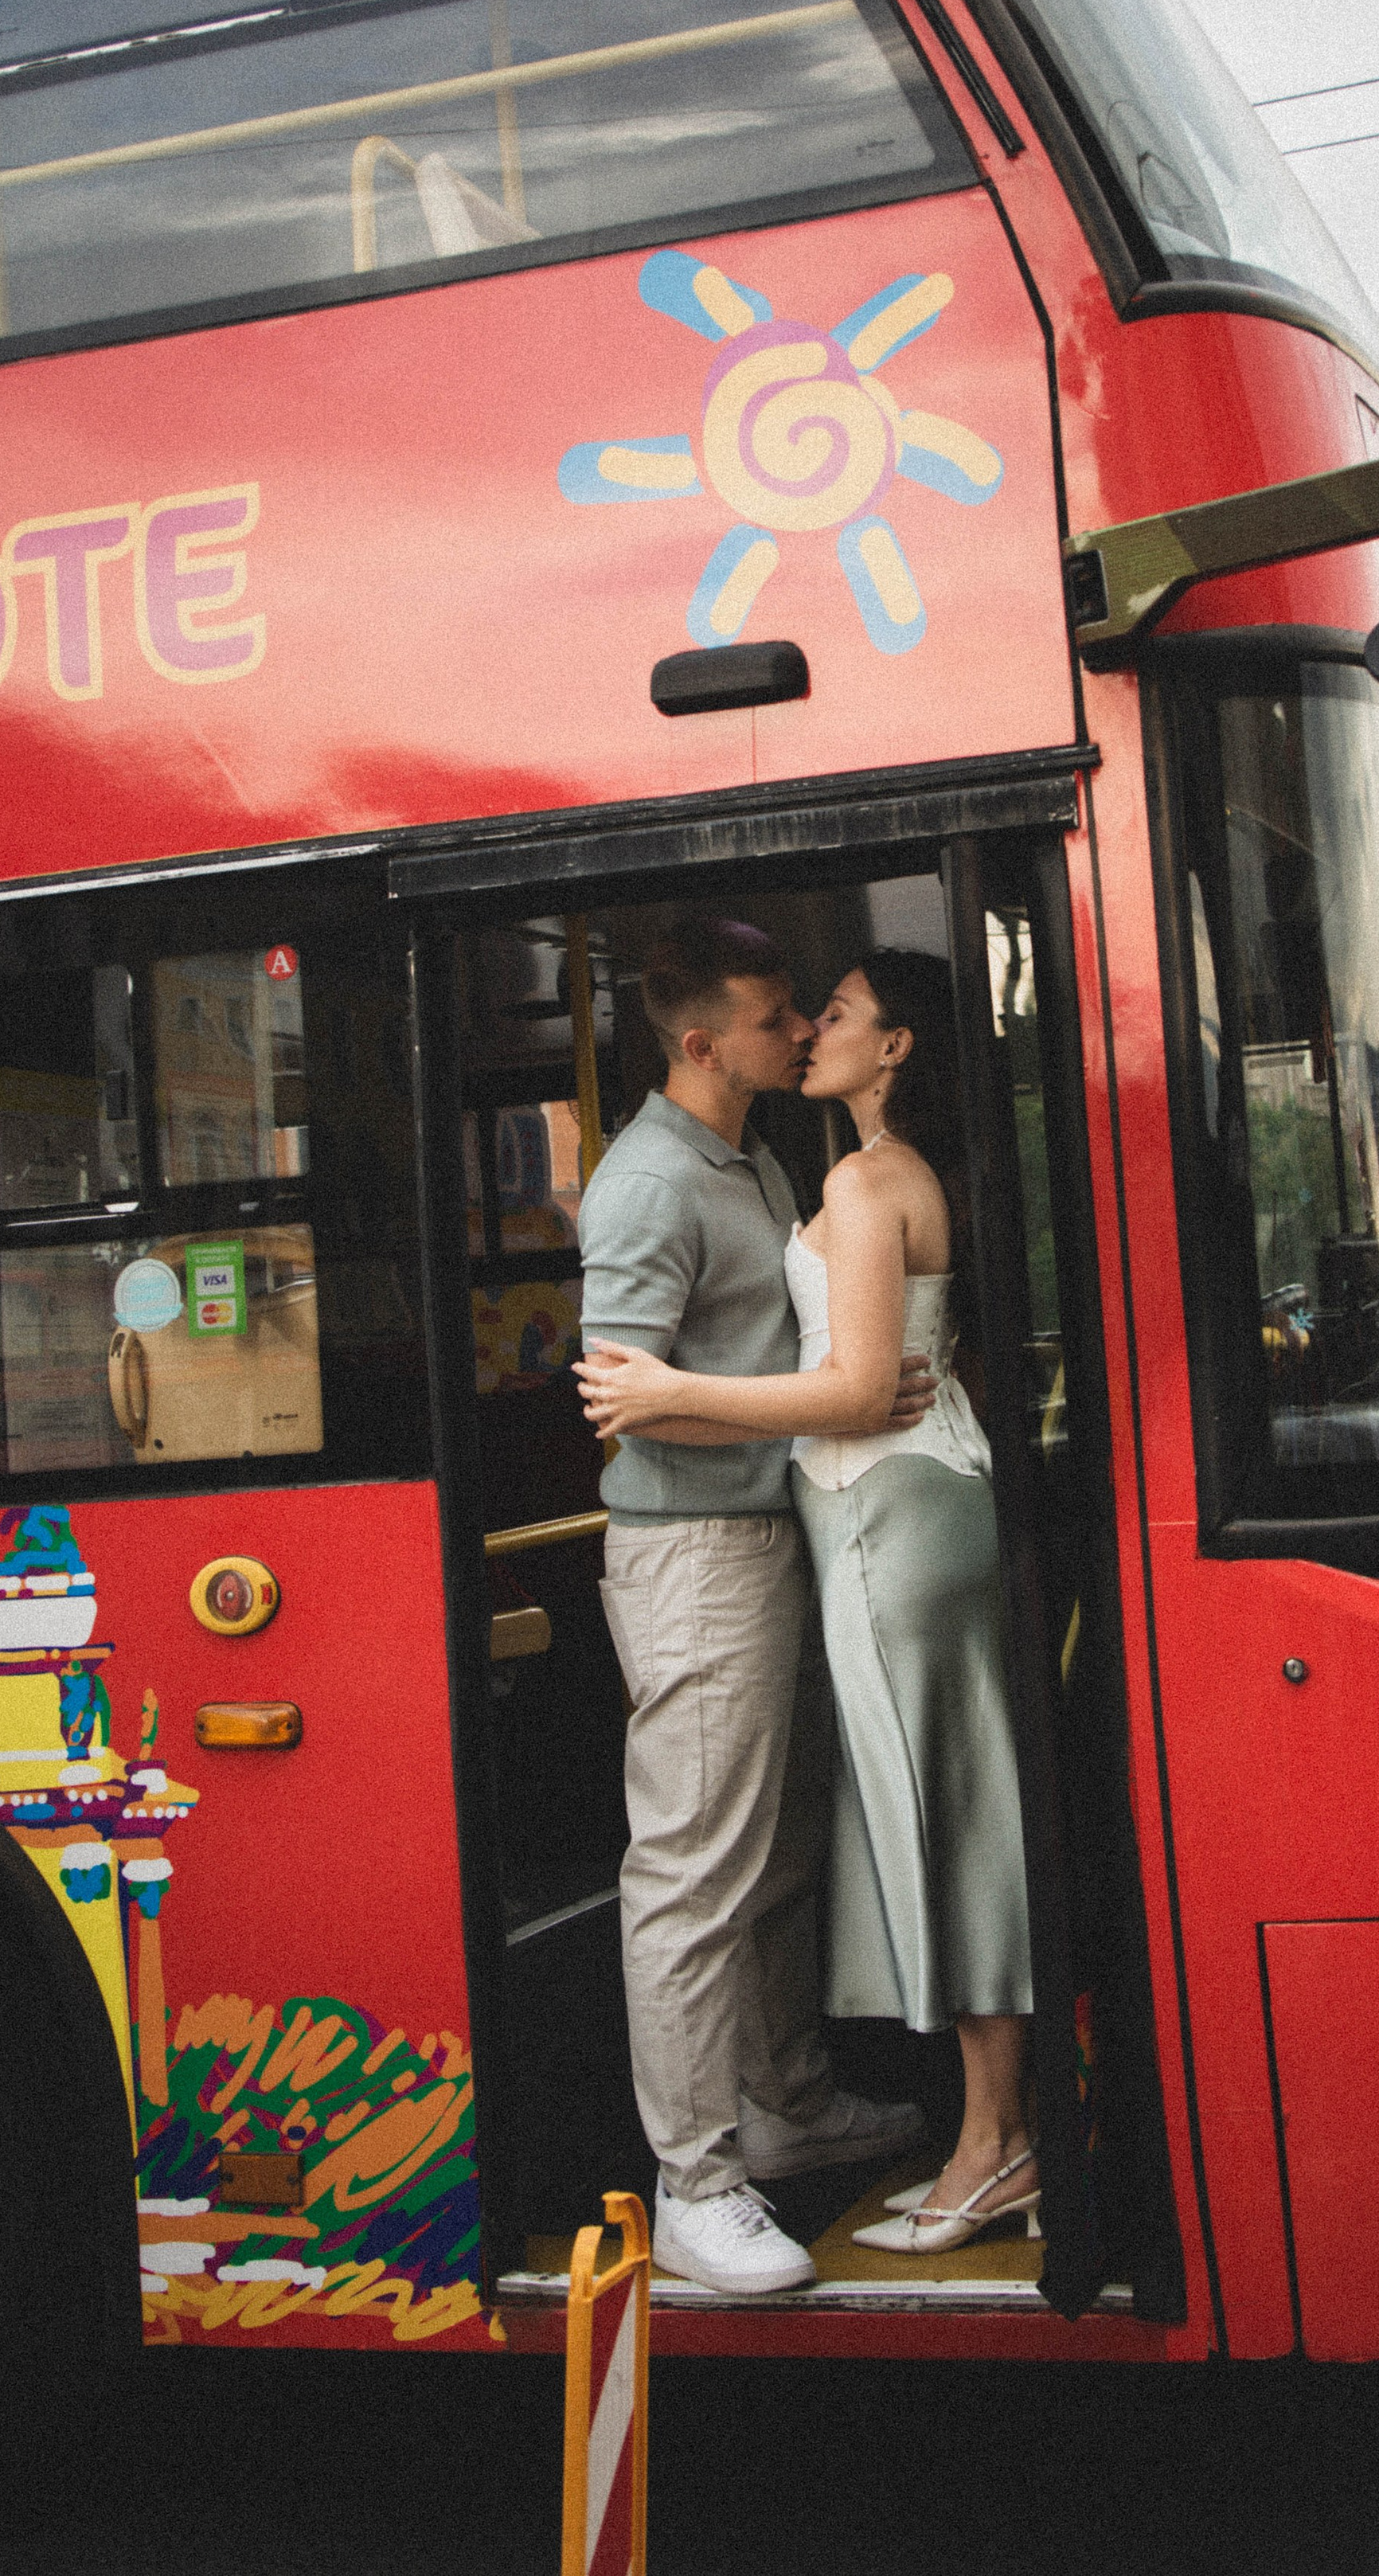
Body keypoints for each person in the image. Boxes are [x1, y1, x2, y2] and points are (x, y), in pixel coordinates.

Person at [579, 950, 1037, 2257]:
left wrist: (825, 1396)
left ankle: (797, 2111)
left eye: (818, 1012)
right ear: (704, 1048)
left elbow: (829, 1369)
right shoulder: (656, 1181)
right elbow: (627, 1398)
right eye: (778, 1018)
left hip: (823, 1522)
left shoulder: (779, 1163)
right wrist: (790, 1403)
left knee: (802, 1840)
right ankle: (697, 2184)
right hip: (711, 1549)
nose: (798, 1030)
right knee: (702, 1866)